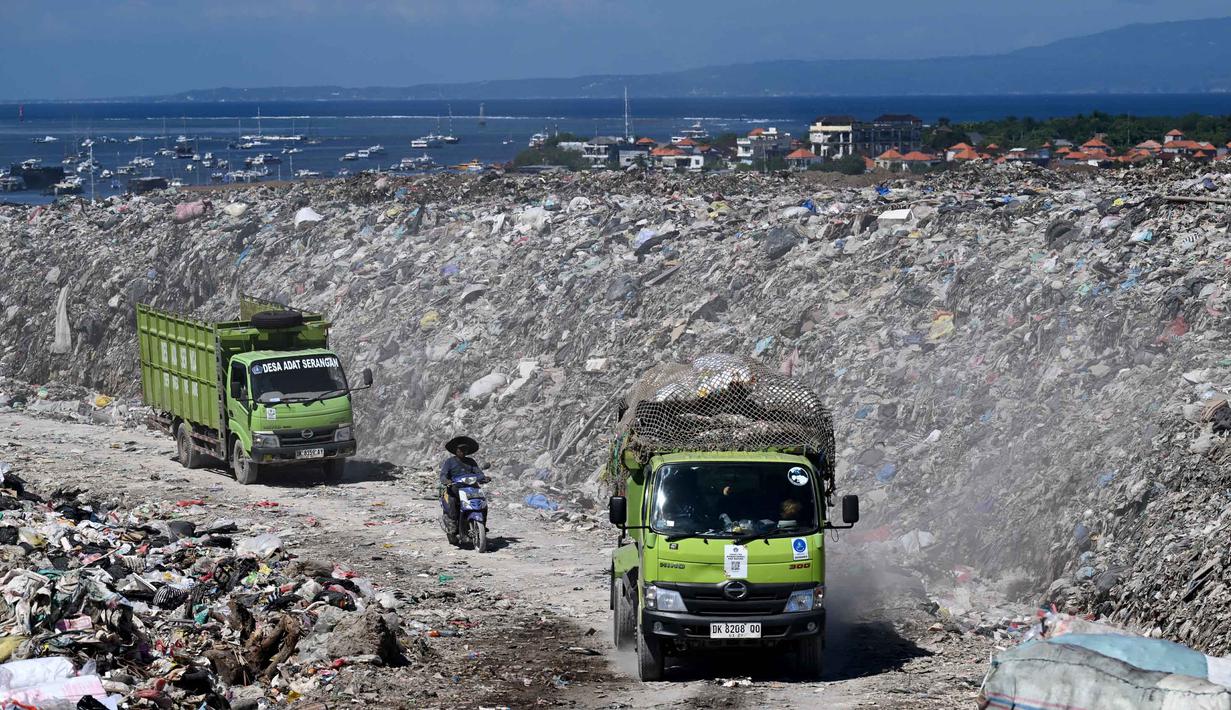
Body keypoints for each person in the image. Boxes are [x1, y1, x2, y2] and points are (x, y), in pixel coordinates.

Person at [440, 435, 484, 535]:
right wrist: (447, 481)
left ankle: (482, 522)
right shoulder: (449, 462)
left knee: (482, 502)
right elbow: (443, 475)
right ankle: (452, 524)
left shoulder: (471, 462)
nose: (462, 452)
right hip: (455, 488)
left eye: (465, 450)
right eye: (460, 450)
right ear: (456, 451)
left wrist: (483, 478)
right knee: (452, 502)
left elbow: (479, 473)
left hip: (471, 488)